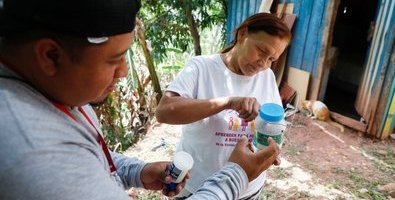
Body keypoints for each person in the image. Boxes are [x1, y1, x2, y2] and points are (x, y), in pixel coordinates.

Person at [0, 0, 281, 200]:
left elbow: (95, 159)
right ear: (50, 55)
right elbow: (166, 110)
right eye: (114, 60)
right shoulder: (36, 156)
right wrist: (237, 174)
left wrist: (135, 171)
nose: (123, 72)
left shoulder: (48, 90)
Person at [156, 13, 291, 199]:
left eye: (271, 59)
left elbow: (274, 125)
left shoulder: (266, 77)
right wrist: (228, 102)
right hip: (199, 188)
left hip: (246, 188)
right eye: (261, 50)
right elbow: (164, 112)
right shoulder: (201, 67)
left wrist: (271, 147)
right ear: (242, 34)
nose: (263, 64)